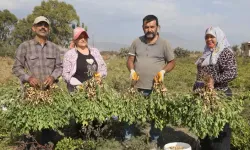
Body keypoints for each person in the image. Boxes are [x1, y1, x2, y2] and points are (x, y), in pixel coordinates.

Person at [126, 15, 175, 149]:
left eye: (152, 27)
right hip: (137, 86)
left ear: (157, 27)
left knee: (156, 115)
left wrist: (163, 71)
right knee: (130, 112)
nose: (149, 29)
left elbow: (172, 62)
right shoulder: (137, 42)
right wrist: (132, 70)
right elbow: (130, 59)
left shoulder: (164, 43)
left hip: (156, 87)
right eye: (146, 27)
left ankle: (154, 140)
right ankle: (128, 139)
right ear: (143, 28)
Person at [12, 16, 63, 144]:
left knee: (48, 126)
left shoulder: (54, 48)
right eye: (39, 25)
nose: (43, 27)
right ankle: (28, 146)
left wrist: (53, 77)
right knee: (29, 126)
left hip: (49, 93)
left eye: (45, 25)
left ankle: (46, 145)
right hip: (31, 94)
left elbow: (59, 67)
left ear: (49, 29)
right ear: (34, 28)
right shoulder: (25, 46)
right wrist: (28, 78)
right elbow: (16, 68)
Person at [193, 27, 237, 150]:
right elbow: (200, 75)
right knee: (205, 127)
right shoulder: (205, 54)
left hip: (220, 96)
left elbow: (232, 72)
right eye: (207, 37)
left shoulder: (225, 52)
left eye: (212, 36)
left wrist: (214, 80)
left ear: (219, 37)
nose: (209, 39)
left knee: (221, 128)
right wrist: (197, 88)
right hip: (205, 96)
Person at [62, 27, 107, 92]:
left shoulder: (95, 52)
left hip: (95, 90)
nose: (83, 39)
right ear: (74, 39)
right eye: (80, 37)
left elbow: (103, 69)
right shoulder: (69, 54)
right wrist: (78, 85)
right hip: (77, 92)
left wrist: (99, 76)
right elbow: (65, 75)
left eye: (85, 37)